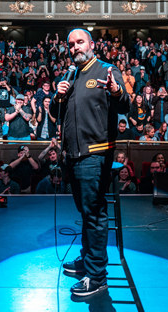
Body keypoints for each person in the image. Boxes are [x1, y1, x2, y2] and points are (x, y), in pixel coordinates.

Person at [51, 28, 130, 297]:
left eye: (80, 42)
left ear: (92, 44)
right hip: (72, 156)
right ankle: (87, 261)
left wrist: (116, 91)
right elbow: (54, 112)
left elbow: (125, 106)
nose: (75, 47)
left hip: (94, 155)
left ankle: (97, 277)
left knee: (94, 215)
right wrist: (57, 95)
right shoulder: (70, 75)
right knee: (86, 213)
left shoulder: (107, 71)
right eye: (71, 44)